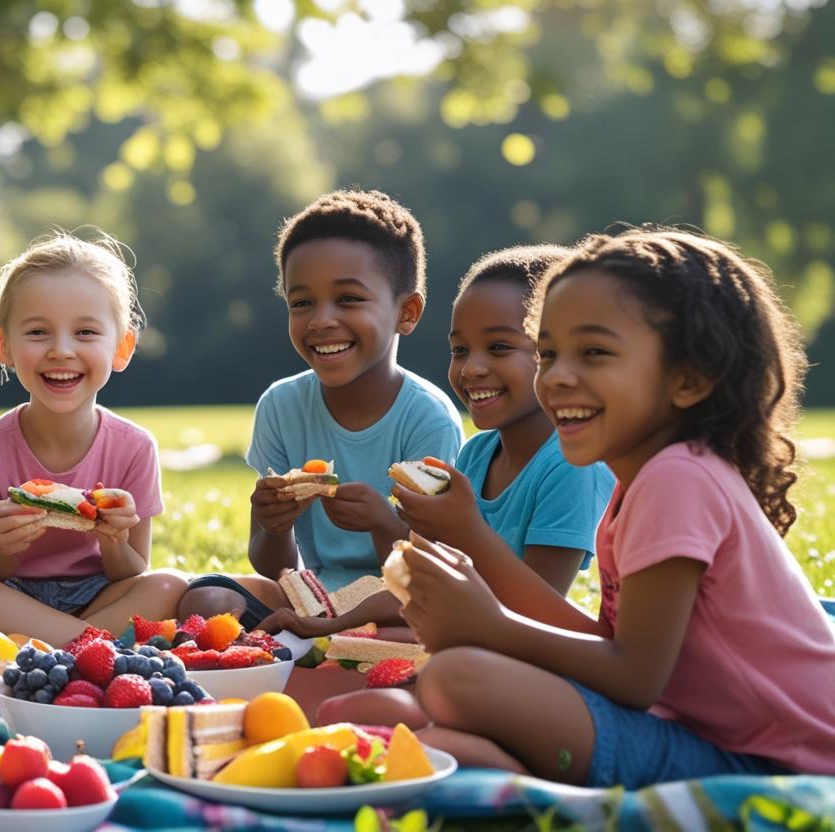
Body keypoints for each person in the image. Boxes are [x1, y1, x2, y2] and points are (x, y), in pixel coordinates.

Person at [322, 227, 835, 787]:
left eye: (593, 352)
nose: (558, 376)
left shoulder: (677, 479)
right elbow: (605, 644)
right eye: (548, 353)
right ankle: (502, 770)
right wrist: (471, 582)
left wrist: (491, 624)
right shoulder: (643, 481)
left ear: (689, 379)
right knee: (421, 707)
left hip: (774, 765)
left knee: (456, 680)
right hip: (701, 732)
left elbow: (634, 678)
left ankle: (529, 783)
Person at [182, 189, 462, 631]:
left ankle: (314, 652)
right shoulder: (280, 405)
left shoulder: (428, 419)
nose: (321, 320)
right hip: (309, 592)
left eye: (348, 299)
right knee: (205, 597)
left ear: (406, 312)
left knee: (412, 630)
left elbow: (428, 568)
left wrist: (381, 520)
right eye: (302, 303)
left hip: (397, 601)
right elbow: (273, 565)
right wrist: (273, 526)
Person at [0, 231, 186, 646]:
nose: (61, 351)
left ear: (122, 348)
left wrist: (115, 540)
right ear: (3, 345)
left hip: (99, 596)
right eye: (37, 332)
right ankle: (96, 650)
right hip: (12, 597)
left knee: (170, 584)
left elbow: (132, 572)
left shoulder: (135, 447)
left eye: (85, 333)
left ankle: (61, 648)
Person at [392, 245, 614, 596]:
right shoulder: (477, 454)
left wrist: (463, 529)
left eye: (499, 347)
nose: (471, 368)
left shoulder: (573, 465)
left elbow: (541, 611)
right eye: (459, 350)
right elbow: (440, 586)